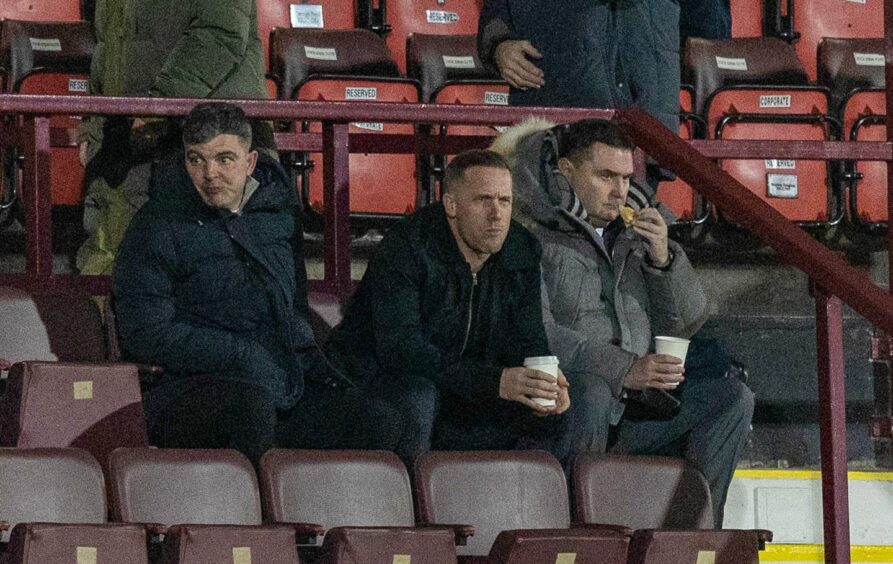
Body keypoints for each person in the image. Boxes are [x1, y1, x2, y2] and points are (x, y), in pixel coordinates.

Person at [113, 102, 408, 468]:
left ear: (250, 162)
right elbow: (145, 333)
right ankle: (264, 523)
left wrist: (311, 362)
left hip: (278, 378)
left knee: (380, 420)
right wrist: (241, 355)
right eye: (197, 160)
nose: (210, 174)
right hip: (187, 386)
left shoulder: (276, 215)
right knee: (252, 409)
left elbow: (293, 304)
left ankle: (332, 520)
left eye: (224, 159)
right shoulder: (156, 226)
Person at [493, 118, 753, 527]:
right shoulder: (528, 232)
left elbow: (683, 326)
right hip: (564, 408)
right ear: (566, 170)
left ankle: (695, 533)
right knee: (593, 392)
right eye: (605, 176)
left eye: (626, 177)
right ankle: (579, 536)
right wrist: (624, 369)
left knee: (731, 398)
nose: (619, 191)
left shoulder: (636, 231)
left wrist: (663, 260)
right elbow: (536, 332)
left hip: (636, 408)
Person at [326, 150, 594, 466]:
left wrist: (545, 382)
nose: (497, 214)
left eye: (504, 201)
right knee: (418, 399)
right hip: (378, 387)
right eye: (483, 200)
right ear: (451, 205)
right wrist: (495, 382)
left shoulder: (520, 248)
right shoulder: (407, 247)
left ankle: (525, 507)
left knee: (567, 405)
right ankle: (407, 510)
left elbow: (530, 340)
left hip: (468, 391)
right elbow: (402, 351)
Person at [76, 0, 272, 275]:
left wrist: (159, 106)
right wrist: (94, 123)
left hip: (202, 133)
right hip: (132, 136)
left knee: (213, 278)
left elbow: (220, 33)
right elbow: (107, 51)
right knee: (119, 263)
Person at [477, 0, 680, 133]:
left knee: (628, 193)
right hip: (554, 104)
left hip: (644, 100)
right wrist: (498, 45)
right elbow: (497, 12)